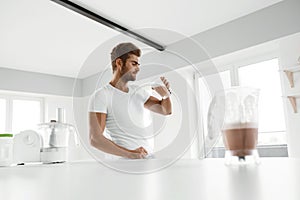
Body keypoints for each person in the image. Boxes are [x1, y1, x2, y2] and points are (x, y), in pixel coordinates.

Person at [89, 42, 172, 159]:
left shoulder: (138, 91)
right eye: (133, 63)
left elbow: (165, 110)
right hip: (123, 163)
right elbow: (95, 139)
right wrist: (129, 153)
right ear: (119, 63)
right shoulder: (102, 95)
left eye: (138, 64)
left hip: (147, 159)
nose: (138, 68)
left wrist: (165, 96)